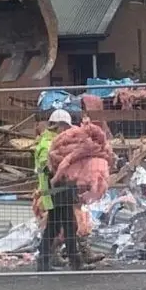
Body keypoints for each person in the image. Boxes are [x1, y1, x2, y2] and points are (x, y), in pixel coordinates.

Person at [34, 109, 90, 272]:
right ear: (58, 125)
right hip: (56, 190)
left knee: (59, 226)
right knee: (66, 225)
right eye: (65, 127)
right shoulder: (47, 144)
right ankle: (73, 261)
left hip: (61, 189)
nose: (67, 130)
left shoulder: (55, 141)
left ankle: (46, 261)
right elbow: (47, 167)